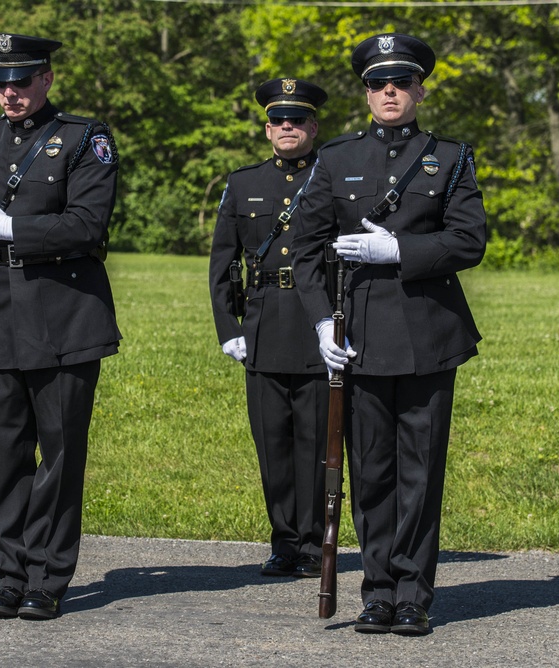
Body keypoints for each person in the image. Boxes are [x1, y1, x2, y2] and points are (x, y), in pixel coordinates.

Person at [290, 33, 486, 636]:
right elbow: (304, 248)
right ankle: (376, 590)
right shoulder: (338, 157)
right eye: (378, 84)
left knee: (420, 472)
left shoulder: (449, 157)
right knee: (370, 470)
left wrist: (397, 248)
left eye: (401, 82)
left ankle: (412, 594)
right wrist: (323, 320)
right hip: (361, 334)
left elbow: (469, 241)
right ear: (366, 93)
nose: (390, 92)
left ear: (420, 89)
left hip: (428, 333)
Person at [0, 32, 121, 620]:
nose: (9, 92)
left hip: (64, 317)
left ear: (46, 79)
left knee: (60, 457)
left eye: (21, 80)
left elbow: (89, 225)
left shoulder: (86, 139)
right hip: (0, 320)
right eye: (0, 81)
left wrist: (9, 228)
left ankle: (48, 578)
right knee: (5, 456)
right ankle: (10, 575)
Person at [208, 78, 330, 578]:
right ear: (267, 128)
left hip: (316, 323)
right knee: (272, 442)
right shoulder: (243, 184)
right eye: (280, 120)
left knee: (316, 442)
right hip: (261, 324)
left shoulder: (333, 178)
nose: (288, 127)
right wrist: (227, 327)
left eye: (297, 119)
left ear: (313, 127)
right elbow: (221, 262)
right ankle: (283, 541)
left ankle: (311, 542)